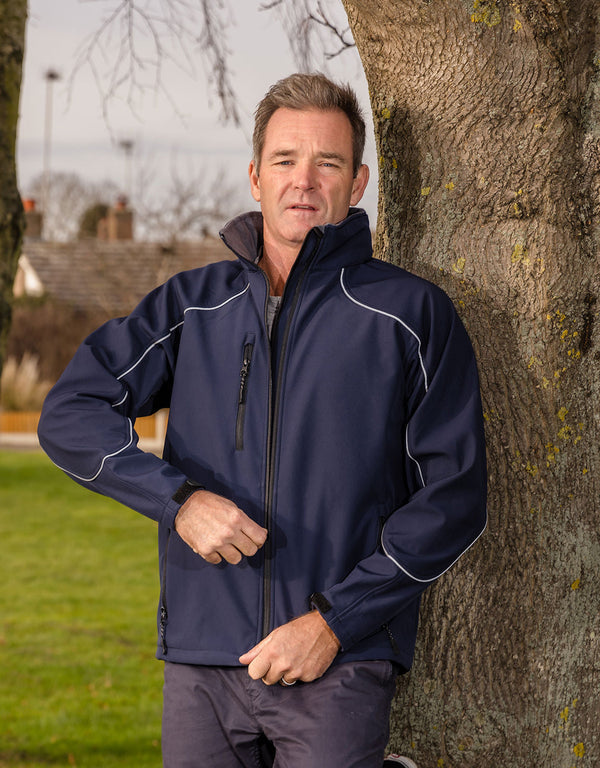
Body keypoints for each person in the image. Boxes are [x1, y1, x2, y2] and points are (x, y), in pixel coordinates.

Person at [38, 72, 487, 768]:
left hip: (335, 662)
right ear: (255, 177)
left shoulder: (410, 314)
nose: (303, 180)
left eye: (327, 162)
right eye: (284, 160)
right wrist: (178, 502)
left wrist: (336, 623)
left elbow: (454, 497)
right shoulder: (192, 305)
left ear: (358, 182)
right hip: (201, 661)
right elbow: (70, 412)